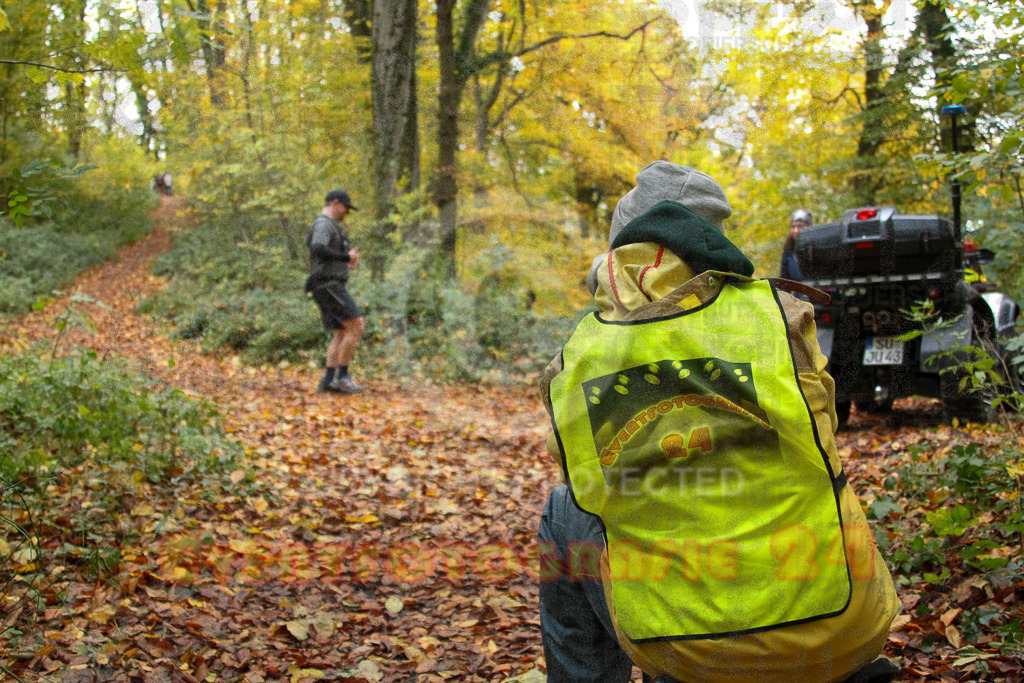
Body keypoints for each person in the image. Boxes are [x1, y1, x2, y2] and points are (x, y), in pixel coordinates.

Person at [537, 161, 899, 682]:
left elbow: (580, 476)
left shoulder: (581, 355)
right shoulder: (782, 315)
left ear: (618, 249)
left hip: (680, 650)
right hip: (838, 629)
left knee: (563, 508)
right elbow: (823, 427)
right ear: (712, 234)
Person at [305, 189, 365, 394]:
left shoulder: (331, 226)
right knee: (356, 325)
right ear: (335, 203)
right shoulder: (323, 224)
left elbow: (324, 255)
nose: (347, 212)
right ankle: (343, 379)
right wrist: (345, 258)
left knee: (341, 332)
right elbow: (317, 249)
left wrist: (347, 261)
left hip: (326, 284)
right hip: (328, 285)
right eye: (346, 207)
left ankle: (329, 380)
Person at [779, 208, 811, 281]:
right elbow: (784, 281)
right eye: (793, 227)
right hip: (798, 291)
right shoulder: (788, 252)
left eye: (800, 226)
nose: (796, 230)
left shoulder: (817, 247)